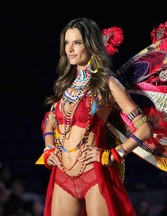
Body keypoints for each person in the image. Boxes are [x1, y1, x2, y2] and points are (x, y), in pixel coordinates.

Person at [38, 17, 153, 216]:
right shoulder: (65, 85)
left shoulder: (108, 84)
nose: (70, 49)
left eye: (77, 42)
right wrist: (49, 147)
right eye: (67, 43)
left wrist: (115, 154)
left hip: (93, 172)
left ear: (90, 44)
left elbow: (145, 129)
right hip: (63, 174)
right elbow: (50, 121)